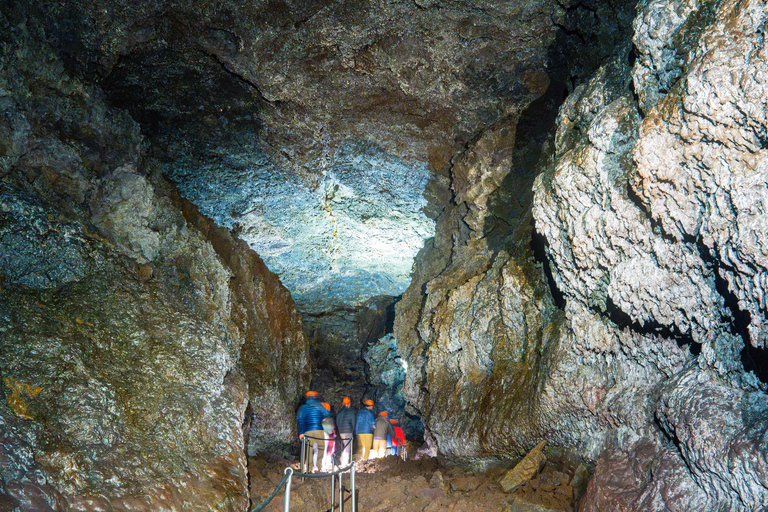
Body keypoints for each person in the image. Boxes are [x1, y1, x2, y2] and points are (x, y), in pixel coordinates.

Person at [297, 391, 330, 472]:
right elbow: (327, 415)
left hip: (308, 431)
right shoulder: (320, 406)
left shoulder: (303, 407)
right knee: (321, 448)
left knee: (309, 450)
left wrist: (301, 432)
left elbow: (300, 420)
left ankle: (309, 468)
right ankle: (319, 466)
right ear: (316, 397)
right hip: (319, 430)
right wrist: (328, 429)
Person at [335, 396, 356, 466]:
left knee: (344, 446)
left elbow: (337, 421)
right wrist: (352, 430)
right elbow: (353, 422)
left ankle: (343, 459)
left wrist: (339, 430)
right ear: (349, 403)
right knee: (347, 447)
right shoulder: (351, 411)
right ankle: (344, 462)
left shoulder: (340, 411)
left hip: (341, 432)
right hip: (348, 431)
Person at [321, 402, 335, 472]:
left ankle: (318, 465)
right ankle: (326, 465)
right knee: (328, 451)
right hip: (328, 436)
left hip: (318, 436)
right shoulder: (329, 418)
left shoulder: (318, 416)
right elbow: (330, 430)